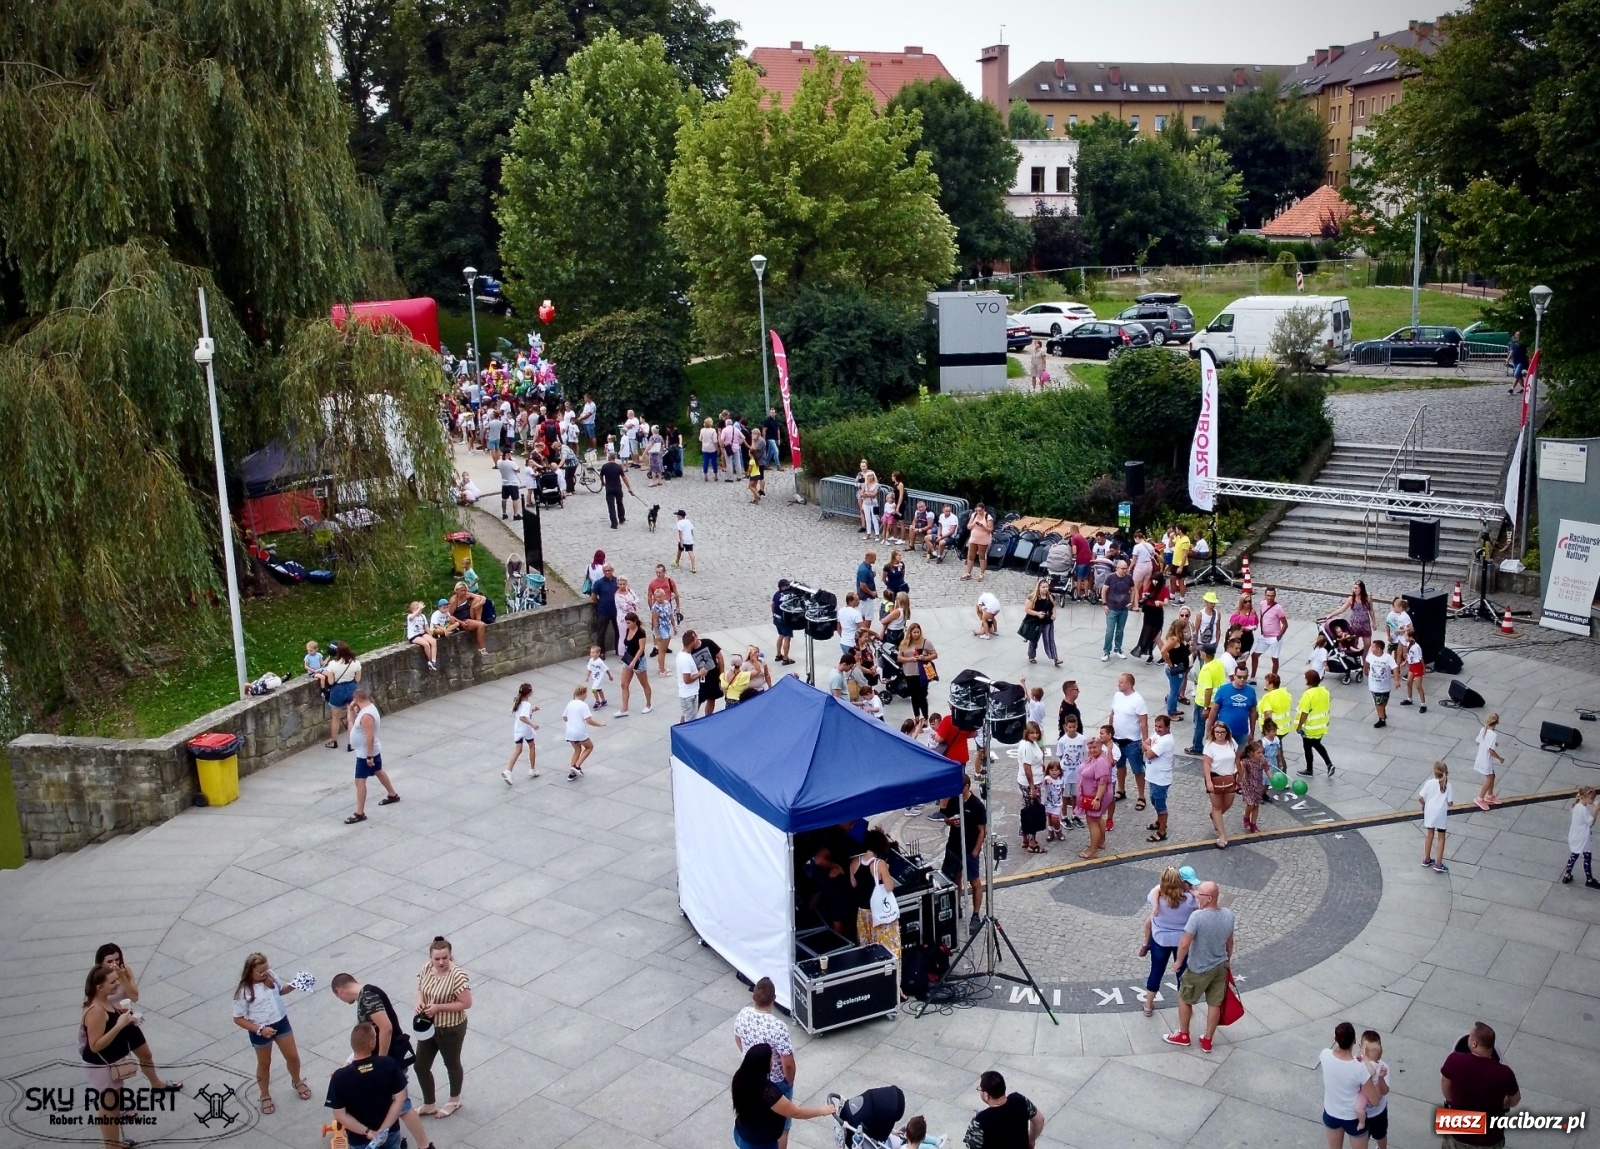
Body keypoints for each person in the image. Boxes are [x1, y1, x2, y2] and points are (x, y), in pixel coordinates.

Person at [81, 964, 180, 1145]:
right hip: (102, 1067)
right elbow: (94, 1045)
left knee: (113, 1105)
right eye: (113, 982)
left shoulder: (104, 1000)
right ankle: (111, 1146)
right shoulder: (95, 1010)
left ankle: (113, 1144)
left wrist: (127, 1022)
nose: (117, 984)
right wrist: (119, 1025)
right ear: (99, 987)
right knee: (109, 1107)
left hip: (109, 1063)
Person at [232, 953, 308, 1114]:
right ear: (250, 972)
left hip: (281, 1022)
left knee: (293, 1057)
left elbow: (279, 991)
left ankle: (297, 1080)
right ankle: (265, 1095)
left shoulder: (271, 976)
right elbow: (238, 1019)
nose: (265, 973)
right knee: (264, 1063)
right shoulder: (244, 991)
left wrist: (295, 984)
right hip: (259, 1029)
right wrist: (260, 1029)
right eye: (261, 971)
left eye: (267, 969)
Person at [1162, 880, 1234, 1052]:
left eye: (1200, 894)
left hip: (1199, 968)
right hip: (1220, 966)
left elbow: (1185, 943)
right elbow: (1230, 941)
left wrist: (1178, 962)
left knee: (1184, 998)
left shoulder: (1197, 917)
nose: (1197, 897)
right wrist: (1228, 960)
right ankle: (1208, 1040)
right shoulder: (1228, 914)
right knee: (1214, 1003)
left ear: (1209, 898)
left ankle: (1184, 1034)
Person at [730, 1043, 836, 1149]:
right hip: (759, 1143)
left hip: (741, 1133)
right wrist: (822, 1111)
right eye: (771, 1058)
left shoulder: (740, 1078)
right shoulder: (768, 1093)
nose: (773, 1061)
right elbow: (796, 1112)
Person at [733, 978, 797, 1148]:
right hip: (775, 1083)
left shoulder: (743, 1014)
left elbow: (738, 1039)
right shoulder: (778, 1027)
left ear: (753, 997)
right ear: (774, 999)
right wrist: (789, 1082)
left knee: (752, 1117)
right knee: (782, 1125)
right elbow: (788, 1063)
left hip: (751, 1078)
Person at [412, 937, 471, 1119]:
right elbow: (420, 988)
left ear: (450, 955)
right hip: (429, 1026)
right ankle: (429, 1103)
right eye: (437, 958)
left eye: (445, 958)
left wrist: (439, 1007)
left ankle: (454, 1100)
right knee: (420, 1065)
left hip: (450, 1028)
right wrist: (420, 1002)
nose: (441, 962)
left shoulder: (457, 975)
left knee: (451, 1063)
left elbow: (466, 1003)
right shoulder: (426, 969)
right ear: (430, 957)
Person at [324, 1023, 409, 1149]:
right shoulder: (388, 1064)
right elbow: (401, 1098)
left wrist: (368, 1132)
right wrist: (383, 1129)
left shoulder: (339, 1077)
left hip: (359, 1140)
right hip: (390, 1133)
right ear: (371, 1044)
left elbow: (339, 1115)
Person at [1440, 1023, 1520, 1148]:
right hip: (1490, 1137)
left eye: (1470, 1037)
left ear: (1474, 1044)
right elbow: (1515, 1100)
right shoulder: (1505, 1073)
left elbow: (1445, 1084)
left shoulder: (1454, 1060)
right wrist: (1503, 1104)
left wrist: (1452, 1102)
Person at [1139, 866, 1198, 1016]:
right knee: (1182, 976)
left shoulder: (1157, 897)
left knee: (1156, 971)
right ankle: (1184, 1008)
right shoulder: (1190, 900)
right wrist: (1191, 891)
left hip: (1160, 940)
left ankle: (1148, 1005)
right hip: (1181, 943)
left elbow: (1156, 890)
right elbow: (1200, 902)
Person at [1318, 1021, 1382, 1148]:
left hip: (1331, 1114)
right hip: (1353, 1119)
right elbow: (1375, 1101)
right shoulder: (1360, 1069)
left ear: (1335, 1038)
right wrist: (1377, 1078)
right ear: (1354, 1041)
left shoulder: (1324, 1055)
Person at [941, 774, 987, 934]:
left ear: (967, 786)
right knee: (955, 879)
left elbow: (982, 831)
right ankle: (956, 907)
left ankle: (975, 914)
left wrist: (975, 851)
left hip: (969, 849)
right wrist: (950, 822)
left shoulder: (977, 806)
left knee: (974, 882)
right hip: (954, 847)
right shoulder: (954, 801)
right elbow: (946, 817)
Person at [346, 687, 399, 824]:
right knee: (378, 771)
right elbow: (352, 723)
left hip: (366, 753)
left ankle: (359, 812)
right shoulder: (366, 710)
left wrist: (369, 757)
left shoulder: (367, 716)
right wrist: (351, 709)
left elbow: (369, 737)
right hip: (368, 751)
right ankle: (392, 794)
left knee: (359, 780)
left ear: (356, 699)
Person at [963, 1070, 1044, 1149]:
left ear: (986, 1095)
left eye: (979, 1089)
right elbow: (1039, 1120)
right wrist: (1031, 1140)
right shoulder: (1020, 1100)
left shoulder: (980, 1120)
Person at [1109, 673, 1150, 808]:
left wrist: (1145, 742)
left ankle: (1141, 796)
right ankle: (1121, 790)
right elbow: (1112, 714)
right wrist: (1109, 731)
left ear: (1129, 684)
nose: (1118, 684)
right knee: (1119, 766)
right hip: (1116, 740)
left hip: (1132, 742)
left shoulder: (1138, 700)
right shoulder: (1117, 696)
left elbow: (1143, 722)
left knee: (1138, 770)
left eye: (1121, 682)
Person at [1077, 728, 1115, 860]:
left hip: (1096, 796)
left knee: (1092, 820)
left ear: (1101, 747)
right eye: (1090, 747)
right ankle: (1100, 842)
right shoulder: (1097, 758)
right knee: (1098, 818)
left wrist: (1097, 798)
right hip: (1093, 795)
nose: (1092, 750)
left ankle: (1092, 851)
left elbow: (1103, 782)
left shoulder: (1101, 762)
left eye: (1095, 747)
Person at [1202, 720, 1238, 850]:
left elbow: (1237, 759)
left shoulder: (1231, 742)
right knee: (1216, 806)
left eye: (1222, 732)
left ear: (1226, 732)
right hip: (1215, 777)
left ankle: (1215, 816)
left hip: (1230, 778)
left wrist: (1239, 776)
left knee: (1228, 803)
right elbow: (1206, 764)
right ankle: (1222, 835)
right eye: (1217, 732)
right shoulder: (1210, 745)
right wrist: (1209, 781)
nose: (1219, 734)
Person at [320, 640, 362, 749]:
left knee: (335, 718)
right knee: (351, 718)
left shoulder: (333, 664)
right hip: (351, 689)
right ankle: (351, 743)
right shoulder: (356, 663)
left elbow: (331, 682)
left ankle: (333, 742)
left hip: (337, 690)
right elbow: (357, 679)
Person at [1296, 669, 1335, 777]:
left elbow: (1304, 713)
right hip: (1321, 725)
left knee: (1307, 747)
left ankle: (1309, 770)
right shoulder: (1325, 691)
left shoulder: (1308, 694)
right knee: (1317, 744)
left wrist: (1299, 727)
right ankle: (1329, 764)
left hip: (1310, 726)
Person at [1015, 721, 1046, 853]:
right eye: (1032, 732)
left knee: (1026, 809)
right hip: (1030, 784)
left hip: (1026, 782)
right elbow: (1028, 769)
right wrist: (1033, 787)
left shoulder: (1025, 744)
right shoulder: (1028, 747)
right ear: (1027, 733)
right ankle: (1032, 842)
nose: (1034, 735)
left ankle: (1025, 838)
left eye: (1036, 732)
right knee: (1033, 812)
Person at [1144, 714, 1175, 843]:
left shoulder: (1166, 740)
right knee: (1153, 800)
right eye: (1156, 726)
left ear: (1168, 727)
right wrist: (1147, 746)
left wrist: (1146, 746)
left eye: (1160, 727)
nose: (1157, 729)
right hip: (1153, 777)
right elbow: (1147, 744)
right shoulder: (1157, 735)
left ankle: (1162, 831)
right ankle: (1159, 822)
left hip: (1161, 779)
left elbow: (1150, 754)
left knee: (1160, 805)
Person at [1419, 760, 1453, 874]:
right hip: (1441, 814)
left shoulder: (1429, 783)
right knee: (1441, 838)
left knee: (1429, 835)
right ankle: (1438, 864)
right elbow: (1450, 802)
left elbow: (1420, 797)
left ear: (1434, 772)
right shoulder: (1448, 785)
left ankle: (1426, 859)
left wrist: (1423, 805)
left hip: (1430, 811)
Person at [898, 623, 937, 721]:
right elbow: (899, 658)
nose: (916, 634)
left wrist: (924, 657)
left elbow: (934, 654)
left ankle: (925, 717)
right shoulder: (904, 643)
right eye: (914, 632)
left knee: (922, 696)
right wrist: (910, 659)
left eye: (918, 632)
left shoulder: (925, 642)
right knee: (914, 696)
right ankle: (916, 716)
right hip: (909, 673)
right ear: (910, 633)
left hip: (921, 674)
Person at [563, 684, 603, 779]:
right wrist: (599, 724)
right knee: (589, 747)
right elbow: (589, 720)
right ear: (583, 694)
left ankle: (571, 774)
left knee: (577, 750)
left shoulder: (570, 703)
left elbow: (564, 717)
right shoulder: (583, 705)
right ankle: (577, 766)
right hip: (579, 732)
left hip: (569, 732)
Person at [1359, 1031, 1391, 1149]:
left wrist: (1381, 1078)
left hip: (1378, 1112)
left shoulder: (1383, 1066)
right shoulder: (1355, 1064)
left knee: (1381, 1135)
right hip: (1361, 1113)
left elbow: (1385, 1091)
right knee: (1362, 1139)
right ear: (1360, 1048)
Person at [1562, 786, 1599, 886]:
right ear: (1584, 797)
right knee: (1587, 856)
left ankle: (1567, 874)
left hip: (1576, 835)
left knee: (1574, 855)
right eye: (1592, 798)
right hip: (1583, 837)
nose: (1593, 800)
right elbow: (1590, 822)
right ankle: (1589, 880)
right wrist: (1596, 810)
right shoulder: (1583, 810)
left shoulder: (1577, 807)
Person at [617, 612, 653, 716]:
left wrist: (634, 661)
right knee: (624, 684)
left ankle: (648, 704)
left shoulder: (641, 633)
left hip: (638, 661)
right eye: (626, 623)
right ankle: (624, 709)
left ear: (635, 622)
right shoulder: (629, 629)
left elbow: (641, 648)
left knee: (644, 684)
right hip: (628, 659)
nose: (627, 625)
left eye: (629, 623)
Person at [503, 682, 539, 784]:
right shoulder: (527, 704)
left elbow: (520, 713)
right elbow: (522, 717)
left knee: (518, 750)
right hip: (526, 729)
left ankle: (508, 771)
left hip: (517, 729)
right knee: (532, 746)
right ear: (529, 693)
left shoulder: (517, 702)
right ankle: (532, 769)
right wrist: (533, 724)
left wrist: (532, 710)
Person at [1100, 558, 1135, 662]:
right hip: (1112, 608)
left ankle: (1118, 649)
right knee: (1110, 631)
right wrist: (1104, 604)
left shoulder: (1129, 578)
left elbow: (1133, 590)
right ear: (1117, 568)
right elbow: (1104, 590)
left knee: (1120, 630)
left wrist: (1131, 602)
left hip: (1124, 608)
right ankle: (1106, 651)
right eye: (1123, 568)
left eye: (1126, 568)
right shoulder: (1110, 577)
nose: (1125, 570)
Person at [1022, 578, 1060, 666]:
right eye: (1043, 587)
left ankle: (1055, 658)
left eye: (1047, 587)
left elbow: (1053, 607)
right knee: (1034, 640)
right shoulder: (1033, 598)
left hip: (1048, 622)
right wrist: (1037, 614)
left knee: (1050, 640)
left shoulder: (1050, 597)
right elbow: (1027, 609)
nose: (1046, 589)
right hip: (1036, 623)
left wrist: (1054, 614)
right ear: (1039, 588)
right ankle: (1031, 656)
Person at [1473, 713, 1505, 809]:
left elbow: (1479, 741)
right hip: (1486, 760)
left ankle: (1490, 796)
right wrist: (1500, 758)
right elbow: (1490, 750)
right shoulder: (1493, 734)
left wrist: (1493, 743)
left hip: (1481, 757)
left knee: (1492, 776)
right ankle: (1480, 798)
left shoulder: (1483, 729)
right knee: (1490, 778)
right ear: (1496, 723)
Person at [1256, 587, 1288, 681]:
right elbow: (1263, 617)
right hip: (1265, 636)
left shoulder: (1278, 608)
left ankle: (1273, 680)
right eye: (1268, 595)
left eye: (1272, 596)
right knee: (1255, 655)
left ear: (1275, 596)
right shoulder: (1262, 604)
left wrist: (1279, 635)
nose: (1270, 598)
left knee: (1274, 658)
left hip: (1275, 637)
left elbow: (1285, 624)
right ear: (1265, 595)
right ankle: (1253, 677)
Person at [1365, 639, 1397, 729]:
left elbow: (1394, 668)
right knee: (1378, 702)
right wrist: (1365, 671)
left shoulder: (1388, 658)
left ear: (1379, 649)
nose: (1371, 649)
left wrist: (1396, 680)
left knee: (1384, 701)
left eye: (1373, 647)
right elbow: (1366, 663)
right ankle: (1381, 719)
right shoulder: (1371, 656)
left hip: (1385, 686)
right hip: (1374, 686)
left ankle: (1382, 711)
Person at [676, 631, 706, 723]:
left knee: (687, 717)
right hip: (689, 695)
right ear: (692, 642)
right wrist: (700, 673)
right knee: (690, 721)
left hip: (689, 693)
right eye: (695, 639)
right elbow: (687, 680)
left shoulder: (681, 655)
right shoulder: (686, 660)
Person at [590, 563, 619, 653]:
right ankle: (601, 652)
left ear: (612, 571)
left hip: (616, 610)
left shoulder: (616, 581)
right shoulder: (599, 583)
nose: (607, 572)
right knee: (601, 633)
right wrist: (599, 603)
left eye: (609, 570)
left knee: (618, 631)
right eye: (605, 571)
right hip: (603, 611)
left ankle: (618, 649)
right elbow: (593, 596)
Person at [598, 449, 631, 528]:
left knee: (611, 506)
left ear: (608, 458)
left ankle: (614, 523)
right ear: (614, 458)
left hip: (609, 488)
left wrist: (602, 482)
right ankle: (621, 518)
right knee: (620, 503)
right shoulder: (618, 467)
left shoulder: (604, 466)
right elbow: (624, 478)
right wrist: (629, 488)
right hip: (618, 488)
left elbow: (601, 475)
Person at [1399, 625, 1427, 712]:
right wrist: (1405, 662)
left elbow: (1420, 658)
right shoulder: (1408, 644)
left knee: (1418, 686)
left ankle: (1423, 705)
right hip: (1412, 666)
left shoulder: (1416, 647)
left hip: (1417, 666)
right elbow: (1409, 655)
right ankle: (1409, 699)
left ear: (1411, 637)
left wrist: (1423, 668)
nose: (1405, 637)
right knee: (1408, 683)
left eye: (1406, 636)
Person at [963, 503, 994, 581]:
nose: (978, 512)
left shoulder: (988, 517)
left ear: (983, 509)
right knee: (970, 556)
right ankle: (968, 573)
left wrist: (982, 526)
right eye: (977, 510)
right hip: (974, 539)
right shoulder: (974, 515)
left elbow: (990, 530)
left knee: (982, 556)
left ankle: (981, 574)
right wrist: (973, 524)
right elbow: (968, 526)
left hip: (983, 540)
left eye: (980, 511)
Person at [771, 580, 795, 665]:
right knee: (787, 637)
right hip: (784, 620)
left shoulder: (776, 594)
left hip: (776, 618)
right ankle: (785, 658)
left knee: (781, 635)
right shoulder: (787, 596)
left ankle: (778, 655)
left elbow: (772, 605)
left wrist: (773, 614)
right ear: (782, 587)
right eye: (787, 585)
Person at [586, 643, 613, 709]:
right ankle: (604, 700)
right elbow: (589, 669)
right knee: (599, 689)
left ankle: (597, 702)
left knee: (594, 689)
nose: (592, 654)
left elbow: (606, 669)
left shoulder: (600, 662)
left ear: (598, 653)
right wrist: (587, 676)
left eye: (593, 653)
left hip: (599, 678)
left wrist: (610, 676)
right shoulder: (591, 660)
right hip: (594, 678)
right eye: (591, 652)